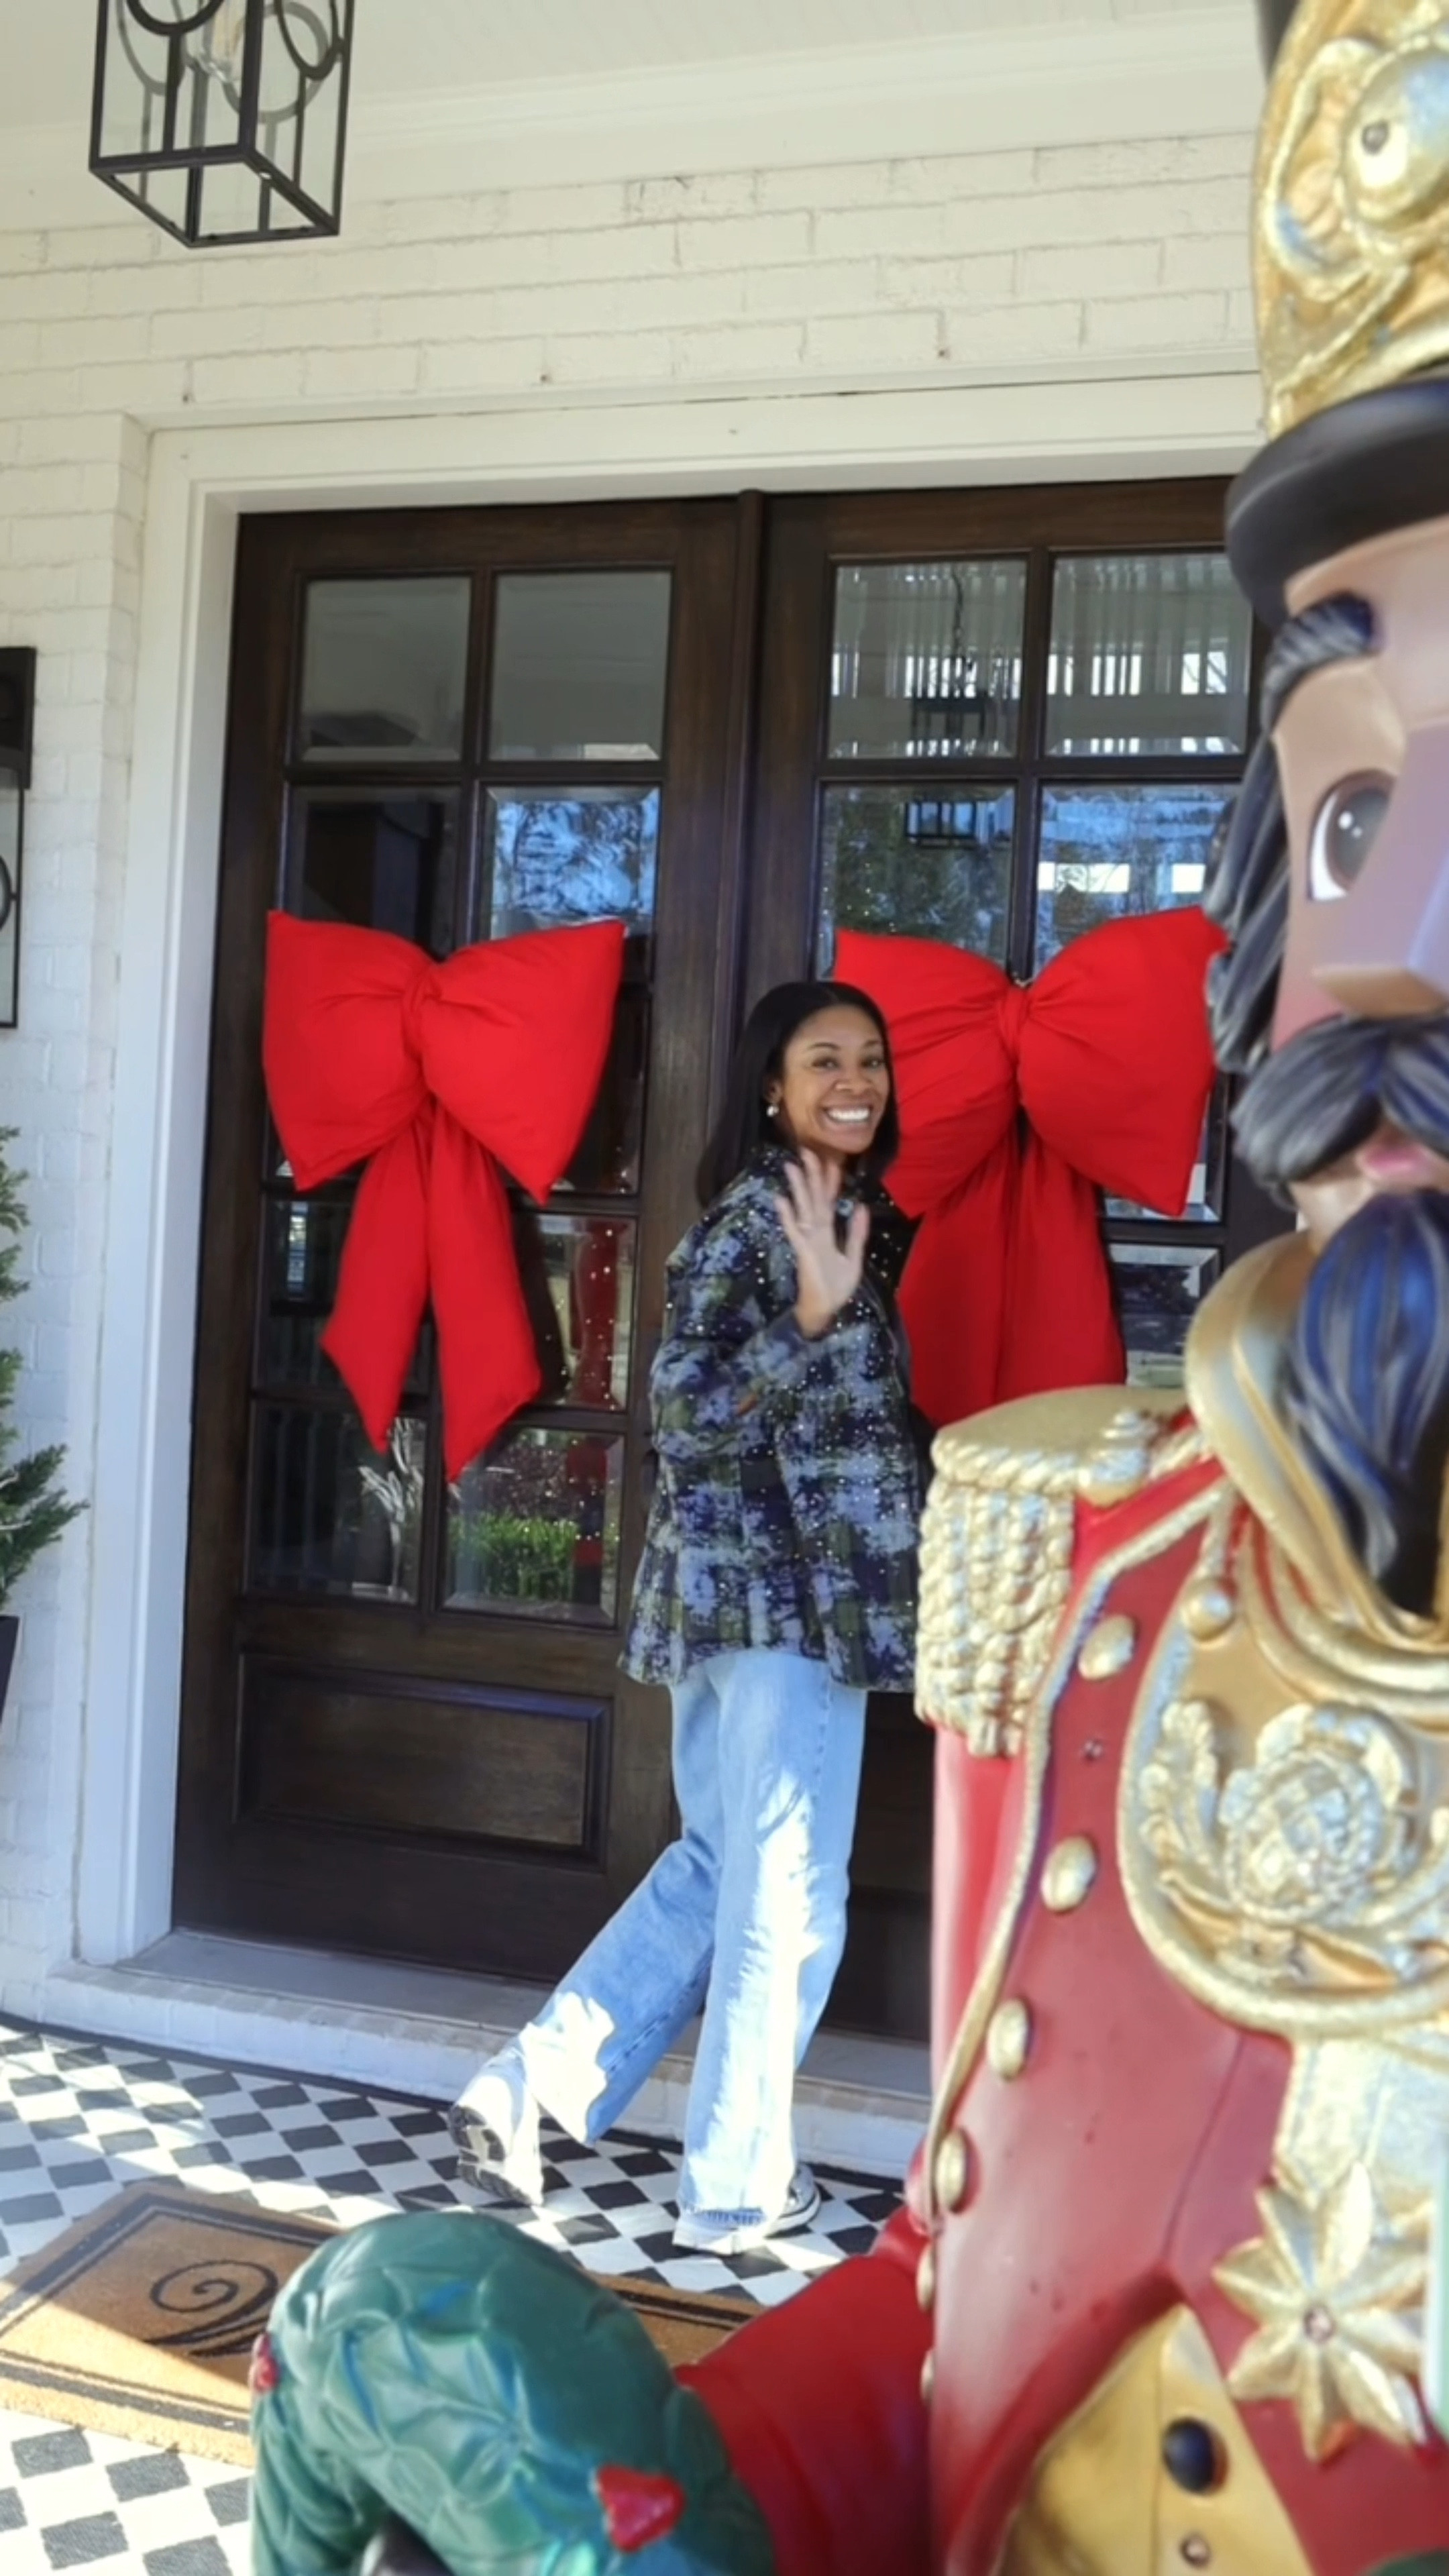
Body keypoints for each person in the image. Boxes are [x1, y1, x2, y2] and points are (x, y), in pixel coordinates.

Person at [446, 981, 920, 2256]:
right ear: (772, 1084)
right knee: (786, 1893)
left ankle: (531, 2092)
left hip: (751, 1614)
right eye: (825, 1060)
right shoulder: (763, 1220)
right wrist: (815, 1320)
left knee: (723, 1868)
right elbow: (686, 1408)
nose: (854, 1079)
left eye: (869, 1058)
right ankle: (738, 2187)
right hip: (784, 1619)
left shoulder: (830, 1212)